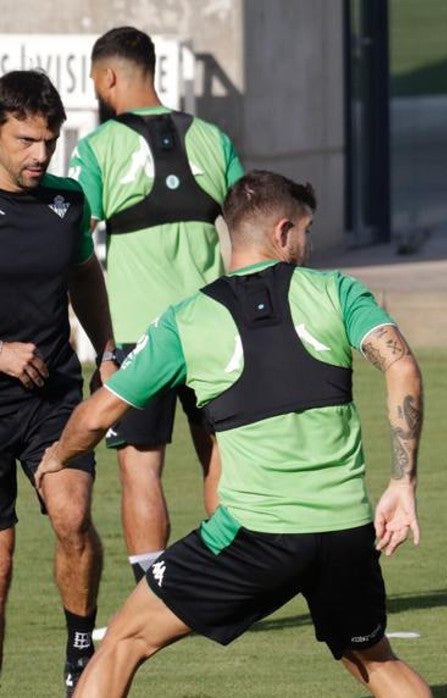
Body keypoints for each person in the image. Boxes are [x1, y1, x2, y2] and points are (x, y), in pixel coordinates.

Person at [34, 170, 432, 698]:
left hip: (252, 538)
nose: (307, 243)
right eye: (307, 231)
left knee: (123, 641)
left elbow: (96, 416)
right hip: (344, 531)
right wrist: (402, 483)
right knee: (376, 660)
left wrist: (58, 457)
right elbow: (402, 367)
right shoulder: (339, 291)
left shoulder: (186, 320)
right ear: (283, 231)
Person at [68, 26, 244, 583]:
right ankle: (226, 584)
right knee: (219, 455)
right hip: (213, 332)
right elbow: (250, 231)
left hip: (139, 339)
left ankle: (153, 590)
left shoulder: (98, 148)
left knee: (141, 468)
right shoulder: (215, 140)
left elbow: (71, 241)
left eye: (97, 81)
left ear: (110, 77)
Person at [0, 70, 113, 696]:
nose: (40, 154)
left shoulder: (66, 201)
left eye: (49, 140)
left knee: (72, 517)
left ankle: (79, 653)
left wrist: (108, 350)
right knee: (2, 562)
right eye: (24, 141)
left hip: (52, 399)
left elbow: (84, 276)